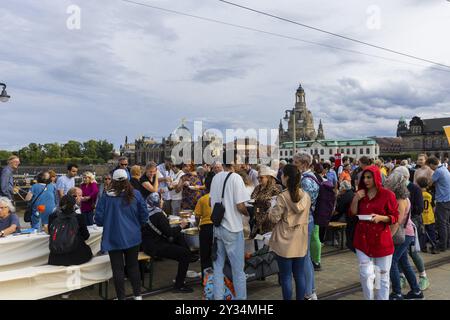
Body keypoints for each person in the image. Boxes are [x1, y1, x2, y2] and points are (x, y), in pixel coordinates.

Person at [95, 169, 149, 300]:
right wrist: (137, 225)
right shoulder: (135, 194)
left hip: (113, 237)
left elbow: (99, 220)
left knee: (117, 269)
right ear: (128, 179)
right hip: (132, 236)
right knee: (133, 266)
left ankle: (121, 297)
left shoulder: (106, 197)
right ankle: (137, 295)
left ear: (113, 180)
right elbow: (144, 216)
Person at [349, 165, 399, 300]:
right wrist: (355, 198)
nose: (366, 180)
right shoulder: (361, 194)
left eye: (369, 177)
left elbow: (395, 217)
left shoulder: (388, 195)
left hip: (381, 239)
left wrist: (381, 218)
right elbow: (353, 213)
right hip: (362, 239)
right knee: (366, 274)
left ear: (376, 177)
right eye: (364, 177)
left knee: (382, 275)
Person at [268, 164, 311, 300]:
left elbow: (273, 217)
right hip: (300, 238)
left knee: (286, 276)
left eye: (282, 174)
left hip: (284, 240)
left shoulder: (283, 196)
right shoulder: (306, 196)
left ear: (286, 177)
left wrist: (270, 208)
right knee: (299, 274)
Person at [141, 192, 197, 293]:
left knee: (179, 238)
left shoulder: (145, 212)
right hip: (156, 247)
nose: (162, 201)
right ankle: (179, 285)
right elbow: (169, 233)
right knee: (184, 254)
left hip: (146, 245)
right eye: (161, 200)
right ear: (157, 202)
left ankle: (189, 255)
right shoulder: (158, 214)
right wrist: (181, 226)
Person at [210, 163, 250, 300]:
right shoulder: (236, 178)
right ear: (233, 163)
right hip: (232, 228)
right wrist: (249, 212)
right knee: (238, 270)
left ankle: (218, 298)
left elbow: (211, 201)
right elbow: (240, 206)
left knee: (218, 268)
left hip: (217, 228)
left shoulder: (215, 178)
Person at [385, 171, 424, 300]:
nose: (387, 183)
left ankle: (397, 292)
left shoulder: (400, 199)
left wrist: (388, 236)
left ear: (395, 184)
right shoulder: (400, 197)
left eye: (389, 181)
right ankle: (416, 291)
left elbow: (398, 221)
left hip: (403, 234)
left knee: (392, 262)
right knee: (404, 263)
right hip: (405, 233)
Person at [394, 166, 429, 291]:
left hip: (411, 223)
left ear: (404, 177)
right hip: (401, 224)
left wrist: (405, 212)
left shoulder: (414, 189)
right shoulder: (396, 188)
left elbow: (419, 208)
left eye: (396, 176)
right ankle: (401, 276)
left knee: (412, 252)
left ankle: (423, 276)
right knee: (400, 253)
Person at [293, 153, 318, 299]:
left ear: (304, 164)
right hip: (307, 220)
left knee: (304, 258)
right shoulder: (310, 178)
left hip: (304, 221)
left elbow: (303, 205)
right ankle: (311, 290)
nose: (294, 165)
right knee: (305, 257)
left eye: (296, 163)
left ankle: (309, 292)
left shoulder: (306, 181)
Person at [47, 194, 93, 266]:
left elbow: (51, 232)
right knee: (88, 250)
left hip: (55, 258)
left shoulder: (52, 216)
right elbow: (86, 236)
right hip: (77, 257)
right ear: (74, 205)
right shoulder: (79, 217)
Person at [426, 156, 450, 252]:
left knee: (441, 223)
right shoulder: (444, 168)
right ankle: (447, 243)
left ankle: (442, 245)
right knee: (446, 223)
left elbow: (429, 183)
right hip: (448, 199)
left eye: (429, 166)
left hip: (442, 200)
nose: (430, 168)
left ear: (432, 164)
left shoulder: (438, 171)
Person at [250, 166, 281, 237]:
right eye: (258, 177)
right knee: (258, 244)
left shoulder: (275, 189)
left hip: (268, 222)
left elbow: (276, 205)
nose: (259, 179)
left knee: (268, 244)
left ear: (268, 178)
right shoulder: (257, 187)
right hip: (257, 220)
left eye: (261, 177)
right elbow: (252, 197)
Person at [194, 173, 215, 279]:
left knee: (205, 254)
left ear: (205, 186)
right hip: (217, 227)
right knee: (217, 253)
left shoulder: (202, 199)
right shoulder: (220, 198)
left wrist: (197, 225)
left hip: (205, 228)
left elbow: (197, 216)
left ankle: (206, 279)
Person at [417, 177, 438, 254]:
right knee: (431, 232)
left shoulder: (418, 194)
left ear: (418, 185)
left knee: (422, 232)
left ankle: (423, 247)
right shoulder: (430, 194)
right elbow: (433, 207)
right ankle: (434, 246)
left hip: (422, 217)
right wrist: (434, 214)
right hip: (430, 217)